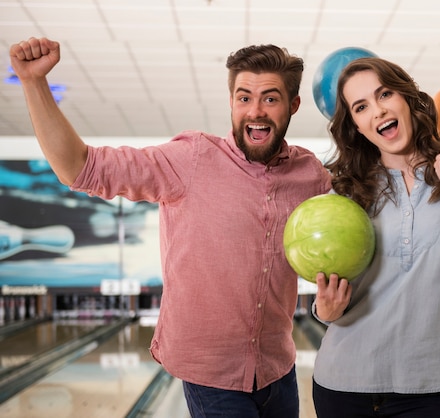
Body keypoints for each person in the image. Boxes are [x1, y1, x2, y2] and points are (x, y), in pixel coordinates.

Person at [9, 37, 331, 418]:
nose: (255, 111)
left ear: (293, 105)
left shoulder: (311, 175)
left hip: (279, 369)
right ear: (231, 102)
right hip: (210, 374)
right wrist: (34, 83)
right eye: (244, 98)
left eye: (270, 98)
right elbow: (81, 167)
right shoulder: (191, 159)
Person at [310, 57, 440, 417]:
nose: (377, 111)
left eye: (385, 94)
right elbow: (330, 295)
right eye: (361, 107)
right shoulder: (346, 192)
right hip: (343, 384)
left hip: (434, 391)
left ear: (407, 97)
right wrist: (323, 310)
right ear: (357, 127)